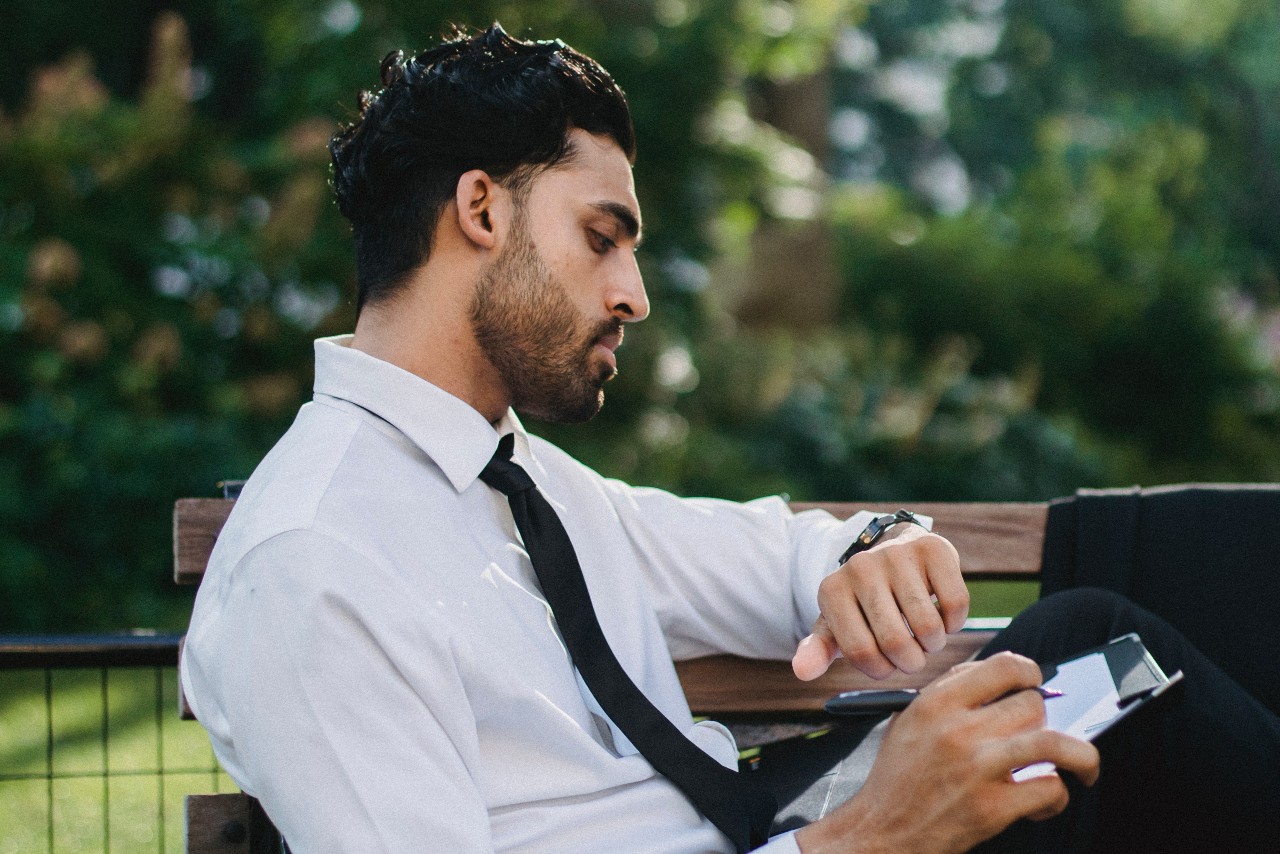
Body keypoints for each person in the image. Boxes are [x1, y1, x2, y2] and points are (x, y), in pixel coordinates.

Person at [181, 24, 1280, 853]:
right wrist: (864, 835)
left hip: (783, 820)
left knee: (1091, 655)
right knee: (1098, 670)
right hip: (815, 840)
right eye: (602, 238)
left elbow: (770, 549)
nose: (635, 295)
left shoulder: (515, 482)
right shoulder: (313, 568)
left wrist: (867, 552)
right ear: (480, 211)